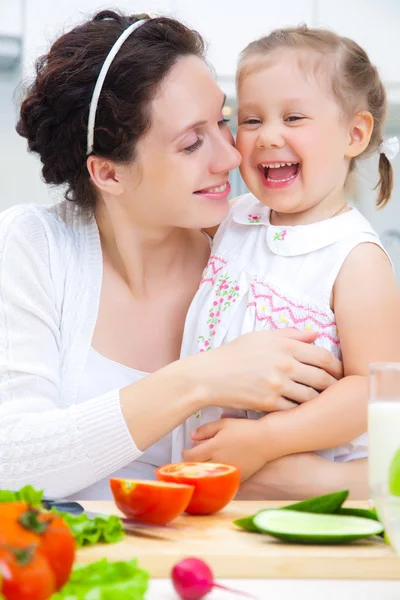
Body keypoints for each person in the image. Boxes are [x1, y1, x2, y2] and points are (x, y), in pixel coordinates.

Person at [0, 12, 342, 500]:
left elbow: (370, 427)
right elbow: (12, 465)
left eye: (222, 121)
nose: (229, 157)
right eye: (190, 143)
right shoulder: (34, 246)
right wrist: (198, 380)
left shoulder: (266, 244)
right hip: (77, 569)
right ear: (109, 174)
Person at [181, 26, 400, 498]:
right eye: (251, 120)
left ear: (355, 133)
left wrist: (265, 439)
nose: (267, 136)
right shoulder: (234, 220)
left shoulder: (355, 258)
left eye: (294, 117)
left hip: (305, 496)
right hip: (217, 490)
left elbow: (375, 389)